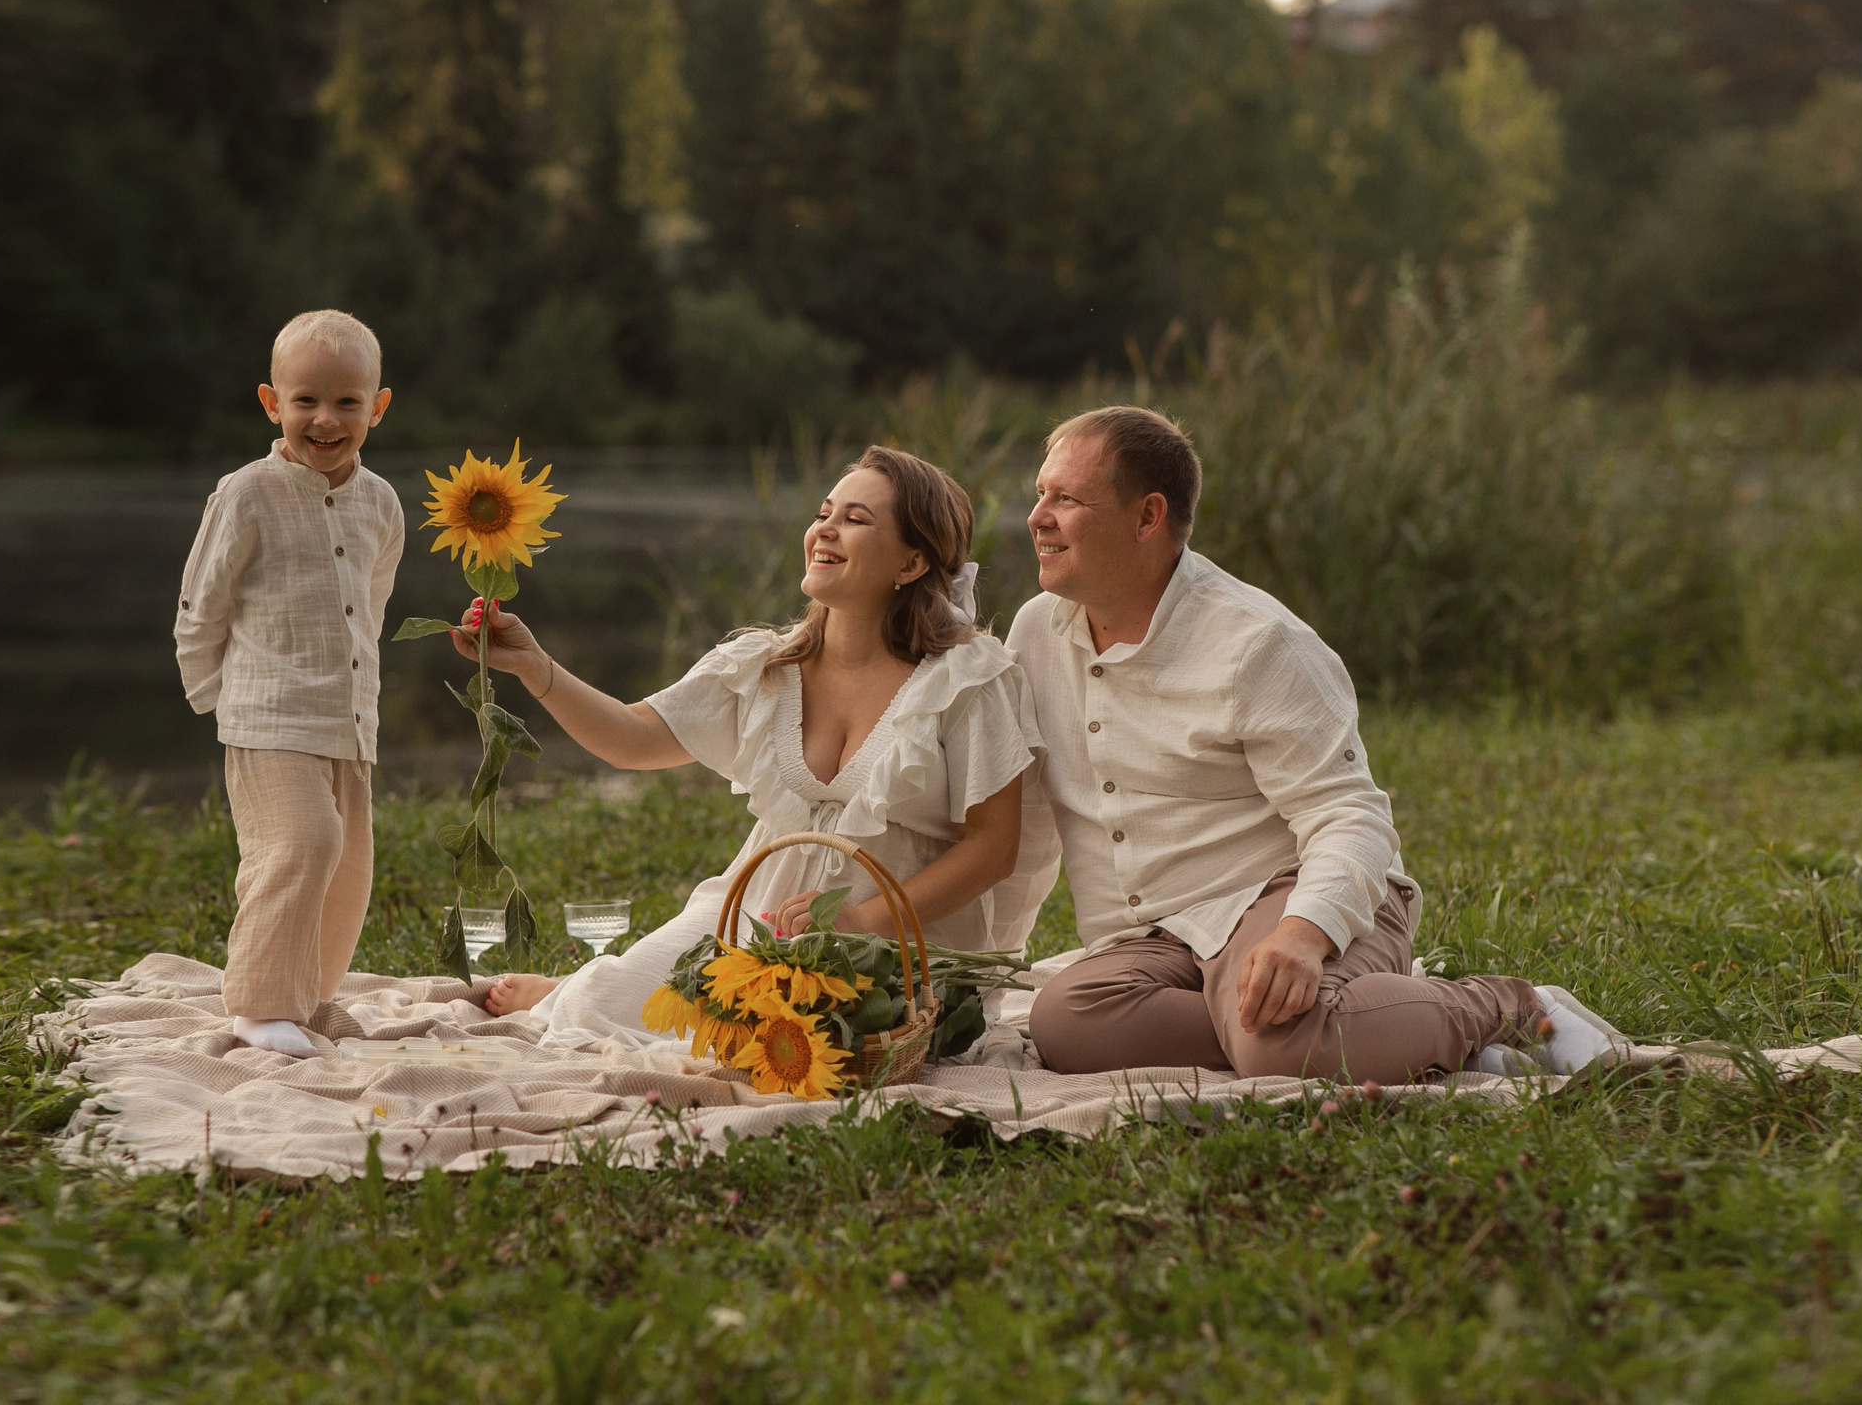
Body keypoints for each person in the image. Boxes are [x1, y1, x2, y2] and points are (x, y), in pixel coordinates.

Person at [1012, 407, 1624, 1082]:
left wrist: (1303, 937)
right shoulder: (1035, 633)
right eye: (1041, 494)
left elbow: (1351, 816)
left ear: (1147, 517)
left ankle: (1507, 1007)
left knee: (1280, 1048)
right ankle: (1379, 1032)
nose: (1039, 515)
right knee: (1066, 1023)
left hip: (1285, 890)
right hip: (1159, 938)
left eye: (1065, 498)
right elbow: (1025, 824)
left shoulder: (1257, 642)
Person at [471, 446, 1059, 1051]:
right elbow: (632, 738)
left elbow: (993, 847)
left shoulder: (966, 678)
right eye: (824, 512)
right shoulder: (765, 665)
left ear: (911, 562)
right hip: (759, 912)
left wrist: (860, 920)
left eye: (856, 519)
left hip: (900, 940)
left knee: (805, 1046)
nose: (825, 528)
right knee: (605, 1008)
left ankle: (571, 984)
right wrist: (533, 665)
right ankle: (573, 986)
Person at [173, 310, 404, 1058]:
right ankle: (258, 1005)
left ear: (378, 405)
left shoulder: (383, 503)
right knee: (303, 841)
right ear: (272, 403)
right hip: (266, 715)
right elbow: (201, 605)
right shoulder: (247, 494)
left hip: (348, 718)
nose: (326, 419)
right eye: (305, 400)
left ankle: (307, 1001)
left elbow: (369, 607)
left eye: (347, 401)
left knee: (348, 866)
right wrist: (221, 698)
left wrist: (364, 696)